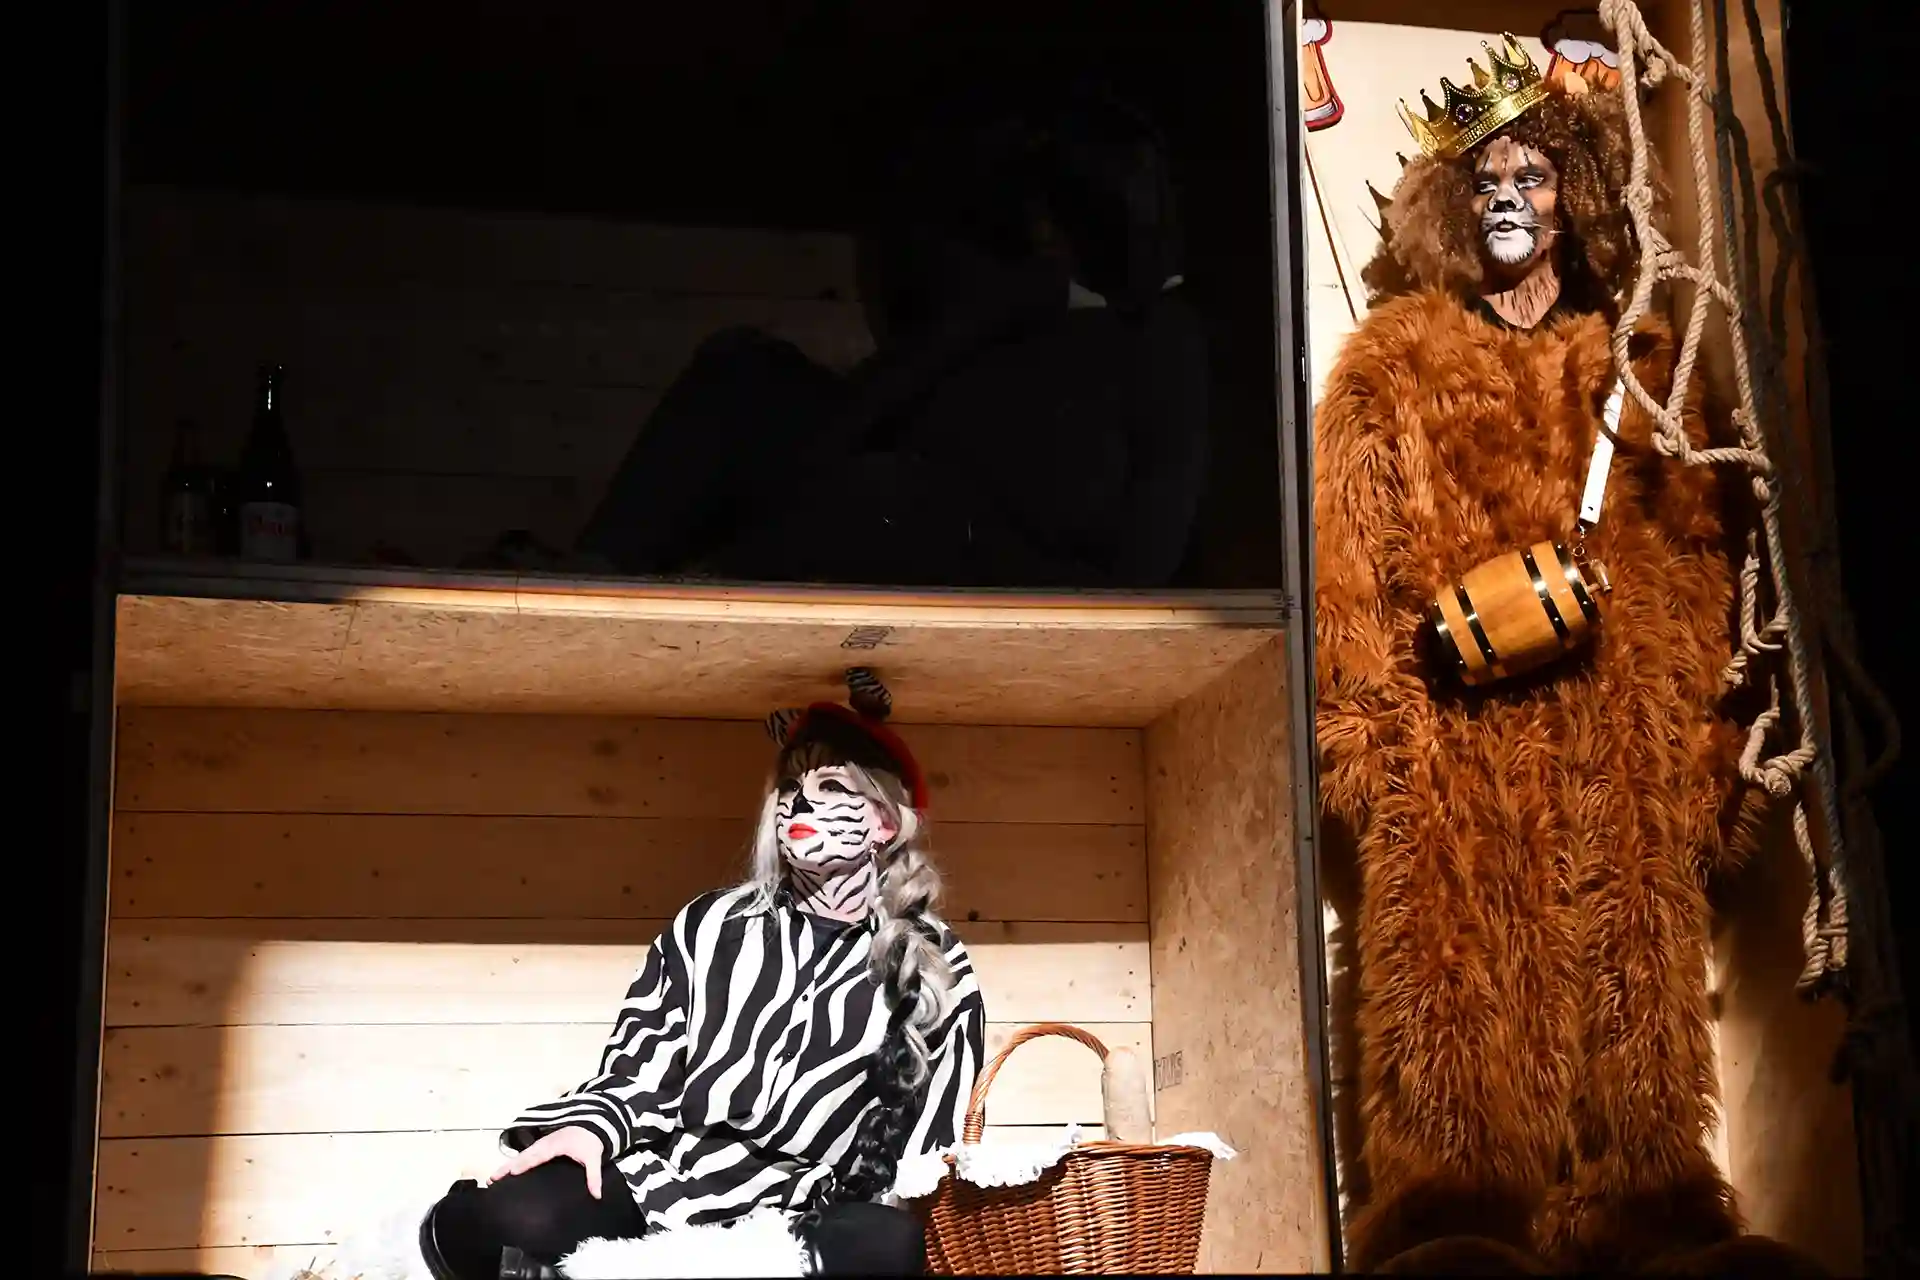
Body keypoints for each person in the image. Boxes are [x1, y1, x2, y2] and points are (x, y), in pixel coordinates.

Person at [1314, 36, 1827, 1276]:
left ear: (1573, 196)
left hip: (1619, 742)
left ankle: (1644, 1216)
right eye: (1485, 178)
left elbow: (1700, 562)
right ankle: (1457, 1221)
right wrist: (1379, 754)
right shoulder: (1394, 365)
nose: (1508, 198)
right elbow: (1347, 574)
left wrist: (1701, 749)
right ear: (1449, 203)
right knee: (1453, 991)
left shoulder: (1636, 368)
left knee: (1633, 988)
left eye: (1532, 175)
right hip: (1453, 748)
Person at [416, 683, 986, 1279]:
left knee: (890, 1245)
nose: (799, 803)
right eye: (790, 787)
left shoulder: (936, 963)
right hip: (669, 1177)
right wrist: (592, 1129)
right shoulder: (714, 924)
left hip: (813, 1211)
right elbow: (644, 1061)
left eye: (832, 788)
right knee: (497, 1219)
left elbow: (936, 1141)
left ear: (884, 824)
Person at [572, 86, 1210, 590]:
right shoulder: (1008, 311)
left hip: (976, 556)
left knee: (888, 496)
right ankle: (599, 574)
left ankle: (707, 589)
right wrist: (978, 320)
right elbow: (847, 427)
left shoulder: (1156, 339)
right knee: (743, 373)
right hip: (877, 499)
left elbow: (1144, 565)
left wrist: (963, 533)